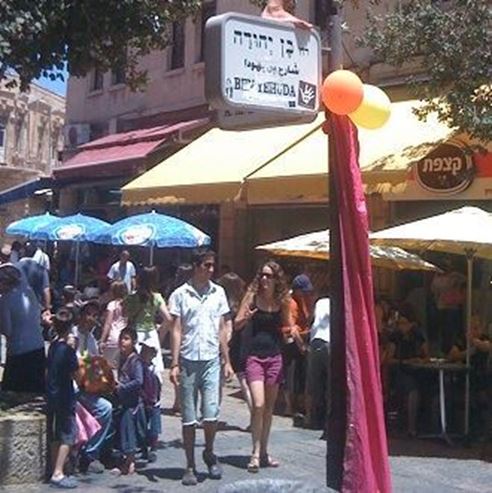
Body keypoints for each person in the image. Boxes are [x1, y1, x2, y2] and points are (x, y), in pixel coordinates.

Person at [169, 248, 233, 486]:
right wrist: (174, 363)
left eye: (212, 265)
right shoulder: (180, 294)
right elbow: (176, 329)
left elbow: (222, 328)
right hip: (187, 360)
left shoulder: (219, 293)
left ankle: (208, 450)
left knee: (211, 413)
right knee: (188, 418)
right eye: (207, 265)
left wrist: (227, 360)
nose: (211, 269)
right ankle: (189, 464)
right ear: (196, 266)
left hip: (211, 359)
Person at [235, 260, 293, 473]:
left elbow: (287, 328)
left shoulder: (282, 301)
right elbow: (237, 323)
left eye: (269, 276)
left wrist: (292, 333)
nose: (265, 279)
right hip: (254, 357)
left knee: (269, 408)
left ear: (276, 280)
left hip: (274, 357)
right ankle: (255, 451)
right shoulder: (251, 297)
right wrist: (246, 317)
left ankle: (264, 452)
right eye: (263, 275)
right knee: (258, 404)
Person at [46, 308, 79, 489]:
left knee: (54, 434)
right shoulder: (67, 350)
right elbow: (76, 374)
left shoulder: (52, 347)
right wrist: (73, 349)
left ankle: (53, 469)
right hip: (65, 396)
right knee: (68, 435)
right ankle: (58, 472)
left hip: (52, 395)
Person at [0, 263, 46, 393]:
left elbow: (7, 330)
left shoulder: (5, 300)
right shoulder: (29, 292)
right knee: (34, 392)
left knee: (13, 393)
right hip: (38, 347)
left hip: (19, 352)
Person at [387, 305, 429, 437]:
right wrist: (404, 361)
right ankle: (412, 427)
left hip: (419, 371)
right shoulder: (395, 337)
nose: (401, 326)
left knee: (427, 385)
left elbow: (427, 355)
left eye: (404, 323)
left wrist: (420, 360)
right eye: (399, 323)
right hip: (401, 372)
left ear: (412, 323)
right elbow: (389, 359)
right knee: (412, 389)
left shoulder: (418, 335)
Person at [217, 272, 253, 426]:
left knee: (217, 383)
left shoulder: (224, 306)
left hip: (228, 345)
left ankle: (213, 414)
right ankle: (255, 415)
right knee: (244, 381)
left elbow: (226, 330)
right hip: (242, 344)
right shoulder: (243, 303)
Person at [123, 266, 171, 375]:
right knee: (152, 371)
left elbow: (124, 314)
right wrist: (160, 335)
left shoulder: (131, 298)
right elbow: (168, 319)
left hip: (134, 334)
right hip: (151, 334)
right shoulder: (157, 297)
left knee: (133, 370)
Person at [114, 327, 147, 475]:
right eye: (121, 338)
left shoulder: (135, 361)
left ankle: (130, 463)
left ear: (133, 342)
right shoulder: (122, 358)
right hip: (125, 401)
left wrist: (122, 387)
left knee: (129, 431)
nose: (122, 341)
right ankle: (126, 460)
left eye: (126, 339)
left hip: (133, 403)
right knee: (124, 430)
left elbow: (139, 381)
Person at [284, 274, 314, 422]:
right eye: (304, 291)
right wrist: (301, 346)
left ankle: (296, 404)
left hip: (301, 339)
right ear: (297, 290)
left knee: (298, 375)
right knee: (291, 374)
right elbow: (292, 328)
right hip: (292, 343)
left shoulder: (301, 301)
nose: (307, 293)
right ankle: (289, 406)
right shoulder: (291, 303)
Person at [305, 293, 331, 431]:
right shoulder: (340, 303)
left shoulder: (320, 301)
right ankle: (329, 419)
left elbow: (311, 319)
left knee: (313, 382)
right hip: (330, 342)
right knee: (330, 384)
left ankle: (310, 417)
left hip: (316, 341)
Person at [100, 281, 128, 369]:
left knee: (107, 367)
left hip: (113, 338)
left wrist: (102, 340)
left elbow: (108, 323)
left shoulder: (112, 305)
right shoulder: (128, 304)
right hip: (124, 338)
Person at [17, 242, 51, 311]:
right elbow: (46, 290)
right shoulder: (41, 269)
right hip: (35, 306)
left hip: (17, 304)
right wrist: (47, 309)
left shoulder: (16, 267)